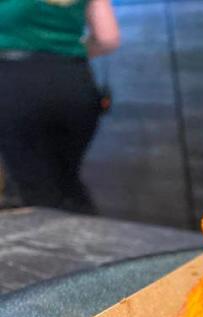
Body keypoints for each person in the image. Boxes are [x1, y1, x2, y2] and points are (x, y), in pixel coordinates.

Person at [0, 0, 119, 213]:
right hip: (73, 80)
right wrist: (61, 53)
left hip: (14, 82)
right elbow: (108, 39)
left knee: (32, 188)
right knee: (67, 182)